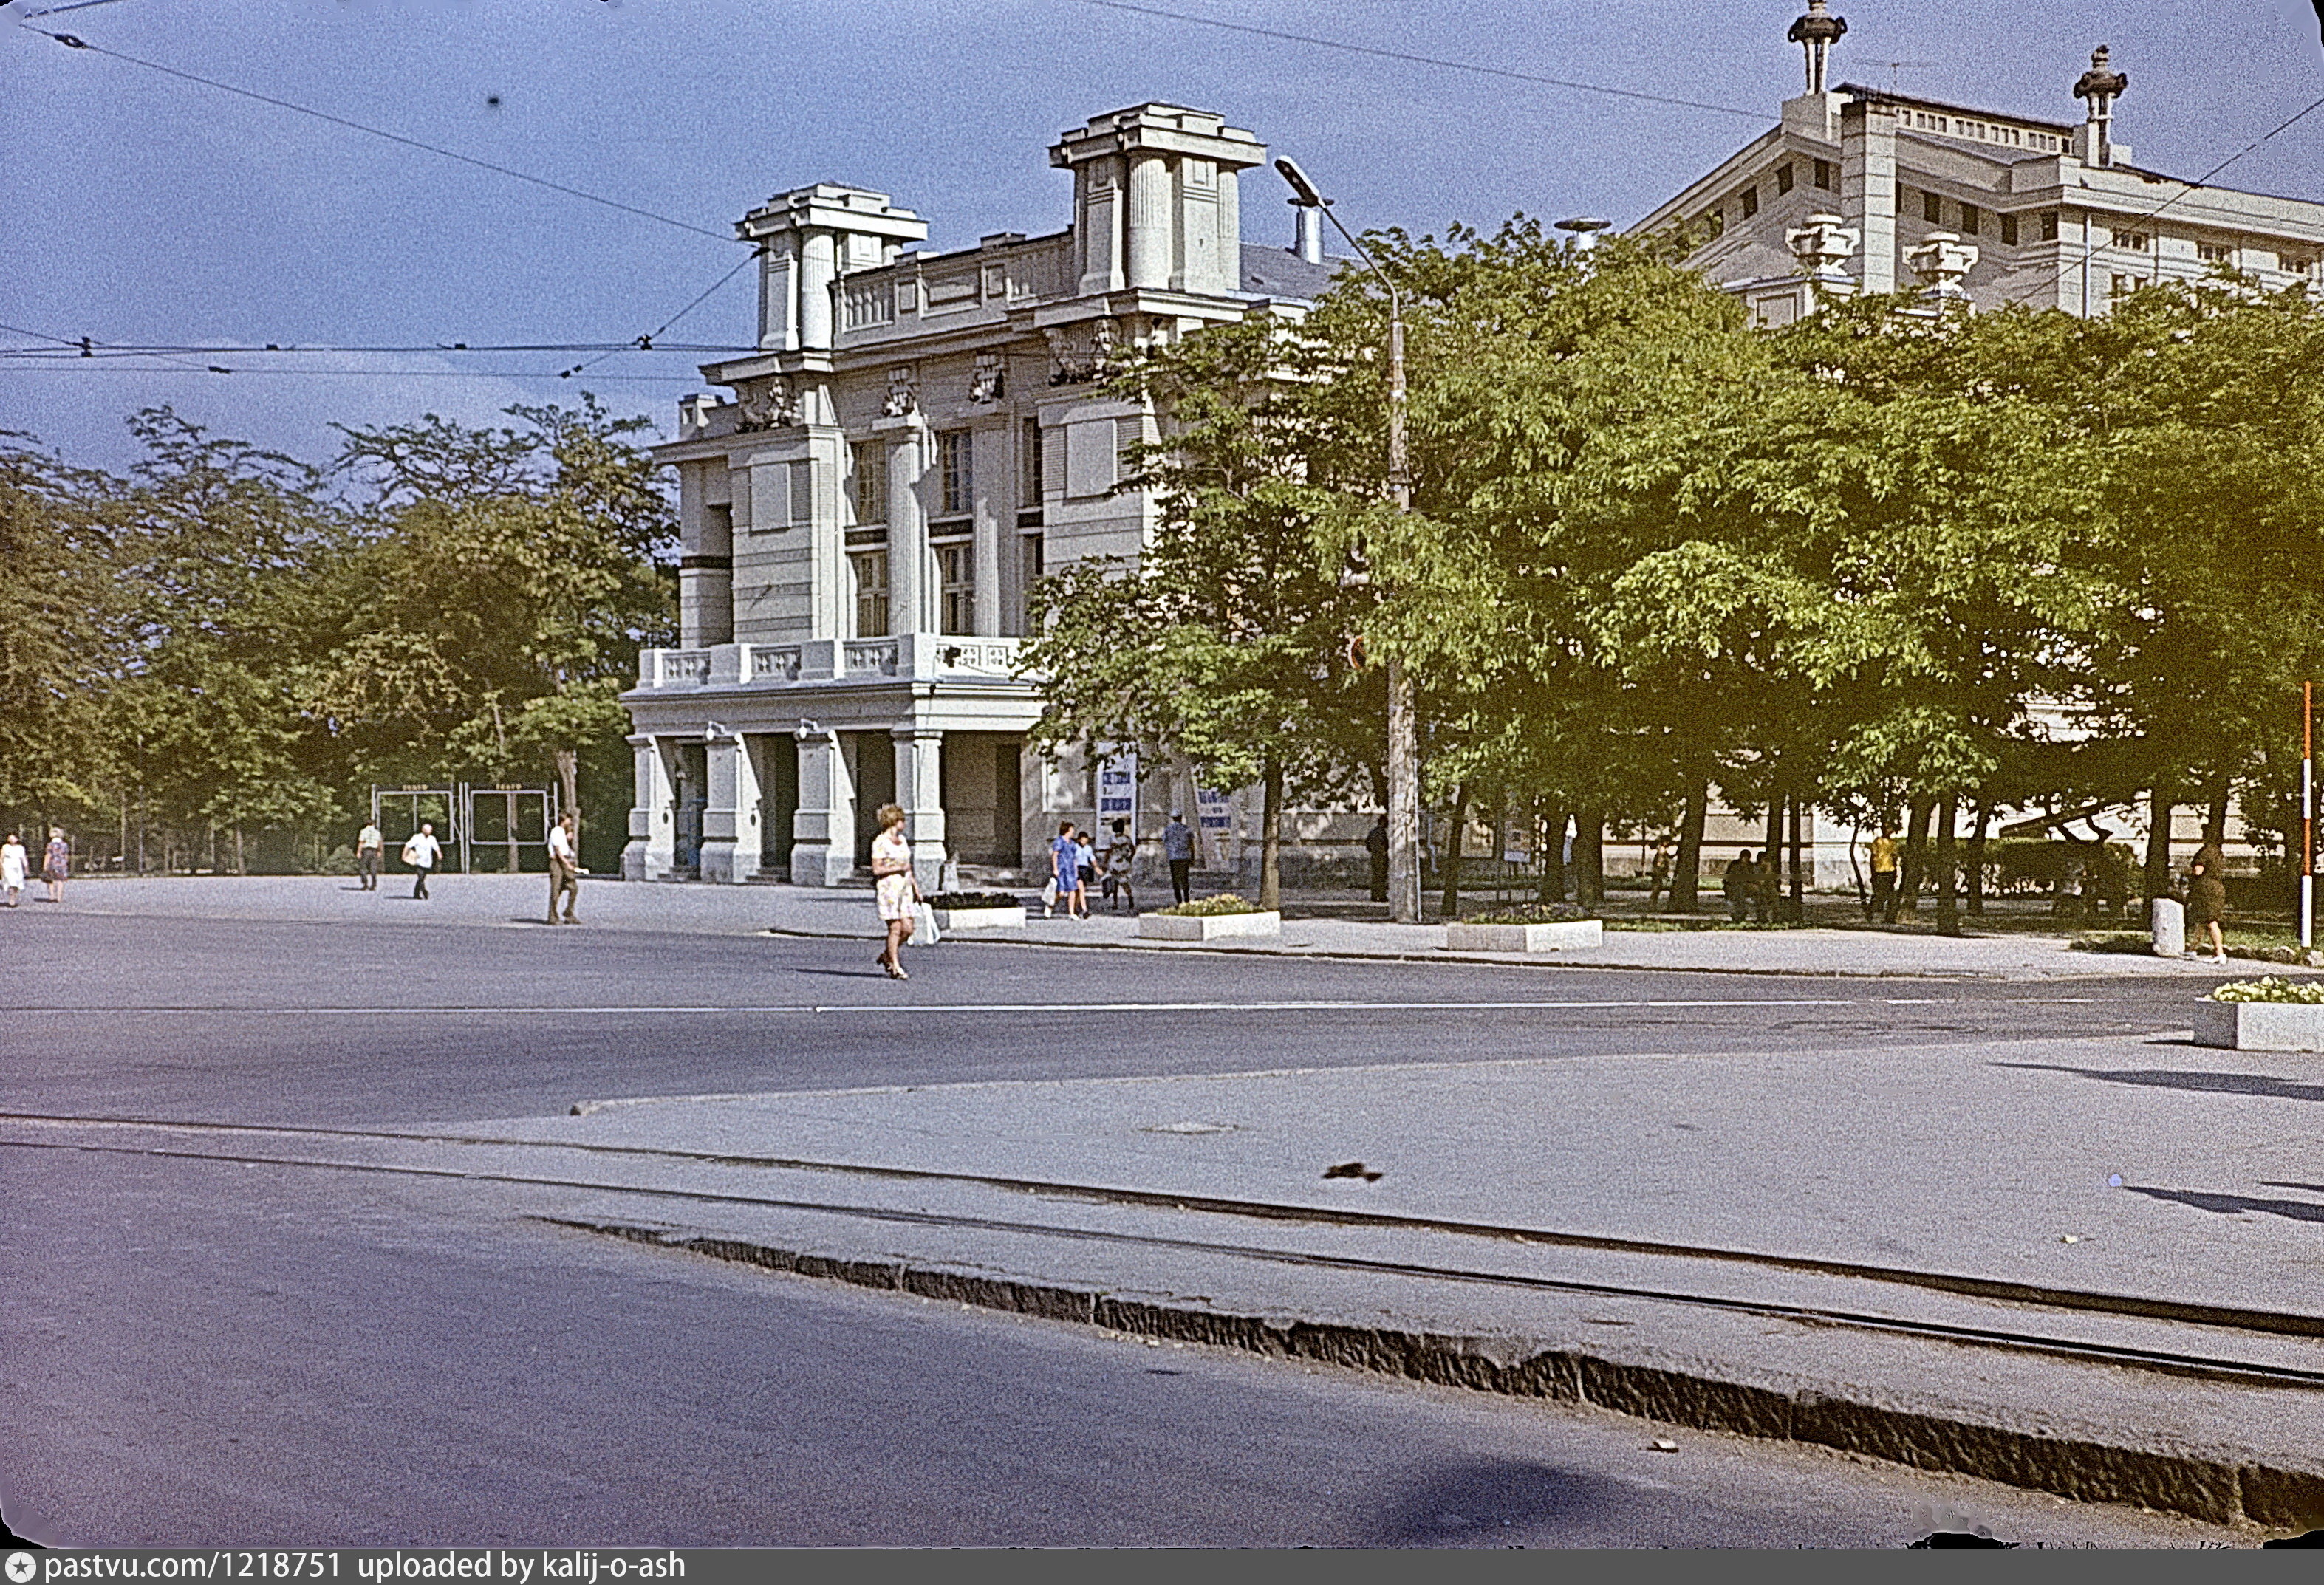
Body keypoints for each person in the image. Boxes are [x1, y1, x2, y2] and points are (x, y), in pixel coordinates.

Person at [870, 803, 920, 979]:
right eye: (901, 820)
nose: (904, 823)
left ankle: (887, 955)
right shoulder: (880, 842)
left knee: (908, 928)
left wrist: (915, 886)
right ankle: (895, 966)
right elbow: (877, 869)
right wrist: (897, 867)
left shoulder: (903, 840)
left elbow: (908, 867)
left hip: (904, 889)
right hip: (889, 889)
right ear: (894, 821)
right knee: (896, 928)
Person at [2187, 832, 2229, 965]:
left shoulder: (2205, 852)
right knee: (2202, 920)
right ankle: (2193, 949)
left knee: (2211, 921)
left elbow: (2199, 870)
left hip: (2206, 889)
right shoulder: (2218, 853)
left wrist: (2190, 872)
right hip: (2217, 887)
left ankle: (2219, 953)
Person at [546, 810, 583, 925]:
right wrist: (566, 863)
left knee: (573, 887)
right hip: (558, 862)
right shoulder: (556, 831)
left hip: (564, 860)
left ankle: (569, 912)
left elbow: (564, 848)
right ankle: (552, 916)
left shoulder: (563, 832)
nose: (570, 822)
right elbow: (557, 850)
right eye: (569, 819)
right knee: (556, 890)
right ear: (563, 820)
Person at [1101, 818, 1138, 914]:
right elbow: (1133, 850)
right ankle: (1131, 902)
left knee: (1115, 884)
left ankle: (1115, 903)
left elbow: (1108, 852)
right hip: (1124, 863)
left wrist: (1105, 862)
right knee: (1125, 883)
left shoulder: (1111, 839)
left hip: (1114, 863)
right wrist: (1129, 859)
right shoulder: (1127, 838)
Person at [1047, 821, 1081, 920]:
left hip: (1070, 869)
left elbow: (1074, 858)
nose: (1073, 831)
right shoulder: (1059, 841)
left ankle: (1071, 912)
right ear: (1067, 830)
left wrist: (1076, 870)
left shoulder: (1072, 843)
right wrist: (1055, 868)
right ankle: (1050, 905)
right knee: (1061, 893)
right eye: (1072, 829)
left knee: (1072, 891)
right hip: (1062, 869)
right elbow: (1055, 855)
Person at [1867, 825, 1901, 923]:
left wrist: (1895, 872)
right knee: (1879, 895)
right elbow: (1872, 858)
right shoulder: (1877, 842)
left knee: (1891, 896)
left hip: (1889, 871)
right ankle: (1871, 911)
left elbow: (1894, 858)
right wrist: (1872, 873)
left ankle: (1889, 918)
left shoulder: (1893, 843)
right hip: (1879, 871)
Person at [401, 821, 441, 900]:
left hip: (428, 861)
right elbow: (407, 846)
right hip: (418, 860)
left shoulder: (432, 839)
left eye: (430, 830)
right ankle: (424, 891)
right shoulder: (417, 837)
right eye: (426, 830)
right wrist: (404, 856)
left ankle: (416, 894)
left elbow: (436, 848)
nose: (428, 832)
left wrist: (439, 855)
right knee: (421, 876)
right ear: (423, 830)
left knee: (422, 878)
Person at [1163, 810, 1196, 906]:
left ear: (1173, 818)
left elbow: (1165, 842)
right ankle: (1186, 899)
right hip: (1185, 856)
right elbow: (1192, 845)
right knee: (1185, 879)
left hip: (1173, 857)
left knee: (1175, 880)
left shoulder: (1168, 829)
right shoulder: (1187, 829)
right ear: (1181, 817)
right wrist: (1192, 857)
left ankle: (1179, 900)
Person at [1723, 849, 1756, 923]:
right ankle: (1736, 918)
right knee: (1736, 904)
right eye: (1745, 857)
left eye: (1748, 858)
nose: (1746, 859)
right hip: (1734, 887)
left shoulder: (1750, 866)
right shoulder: (1734, 865)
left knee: (1744, 904)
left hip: (1745, 888)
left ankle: (1741, 917)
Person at [1365, 814, 1390, 903]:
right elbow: (1386, 845)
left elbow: (1367, 844)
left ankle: (1375, 895)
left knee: (1375, 876)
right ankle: (1381, 895)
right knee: (1381, 877)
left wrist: (1373, 852)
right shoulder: (1382, 833)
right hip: (1381, 857)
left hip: (1374, 856)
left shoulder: (1372, 832)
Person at [356, 818, 384, 891]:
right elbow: (379, 842)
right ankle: (373, 884)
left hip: (366, 850)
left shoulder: (363, 831)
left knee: (363, 867)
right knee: (373, 867)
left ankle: (365, 883)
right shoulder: (377, 832)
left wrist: (359, 852)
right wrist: (379, 851)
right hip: (374, 850)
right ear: (373, 824)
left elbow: (361, 842)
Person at [43, 826, 69, 904]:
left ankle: (52, 896)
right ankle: (59, 897)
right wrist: (66, 862)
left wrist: (45, 865)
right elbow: (66, 855)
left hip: (52, 863)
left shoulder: (50, 844)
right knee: (60, 880)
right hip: (62, 863)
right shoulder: (64, 844)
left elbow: (48, 855)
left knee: (51, 880)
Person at [1, 832, 24, 908]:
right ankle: (11, 900)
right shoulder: (5, 847)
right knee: (11, 883)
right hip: (8, 867)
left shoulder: (20, 848)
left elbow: (23, 858)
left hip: (17, 867)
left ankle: (14, 897)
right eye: (10, 838)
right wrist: (1, 867)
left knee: (17, 883)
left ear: (16, 839)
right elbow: (1, 858)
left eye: (13, 838)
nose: (11, 840)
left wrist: (26, 867)